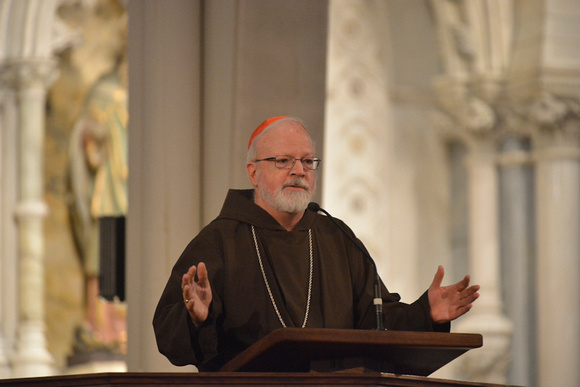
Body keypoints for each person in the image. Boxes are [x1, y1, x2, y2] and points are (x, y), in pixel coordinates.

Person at [153, 116, 479, 372]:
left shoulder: (337, 237)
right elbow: (170, 338)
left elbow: (377, 322)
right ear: (253, 173)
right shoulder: (219, 242)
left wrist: (427, 313)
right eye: (284, 161)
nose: (299, 171)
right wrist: (195, 317)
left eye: (308, 161)